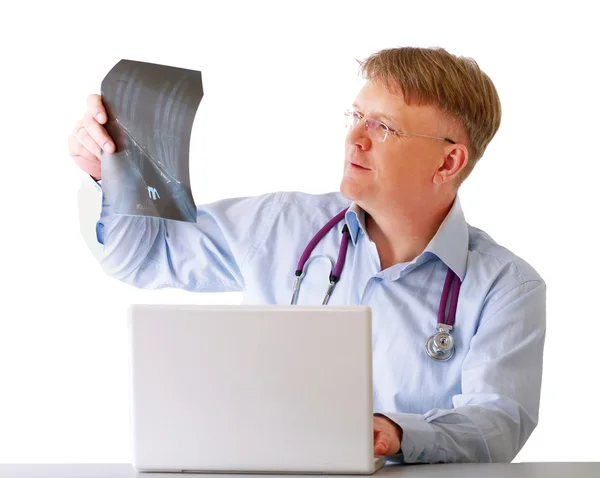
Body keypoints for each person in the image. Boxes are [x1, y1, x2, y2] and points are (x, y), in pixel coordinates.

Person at [69, 46, 546, 464]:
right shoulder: (279, 225)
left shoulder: (505, 287)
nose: (354, 138)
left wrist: (397, 434)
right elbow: (144, 257)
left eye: (382, 127)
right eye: (356, 116)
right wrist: (109, 170)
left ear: (448, 162)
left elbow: (497, 423)